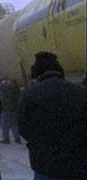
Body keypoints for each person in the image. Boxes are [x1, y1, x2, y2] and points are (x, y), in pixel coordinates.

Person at [18, 52, 86, 180]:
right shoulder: (81, 92)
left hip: (45, 165)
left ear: (38, 73)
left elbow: (23, 129)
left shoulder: (29, 95)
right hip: (78, 164)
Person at [0, 78, 21, 145]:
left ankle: (6, 139)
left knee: (5, 125)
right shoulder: (17, 89)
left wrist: (3, 83)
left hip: (6, 109)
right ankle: (17, 138)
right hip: (14, 109)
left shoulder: (6, 88)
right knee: (14, 124)